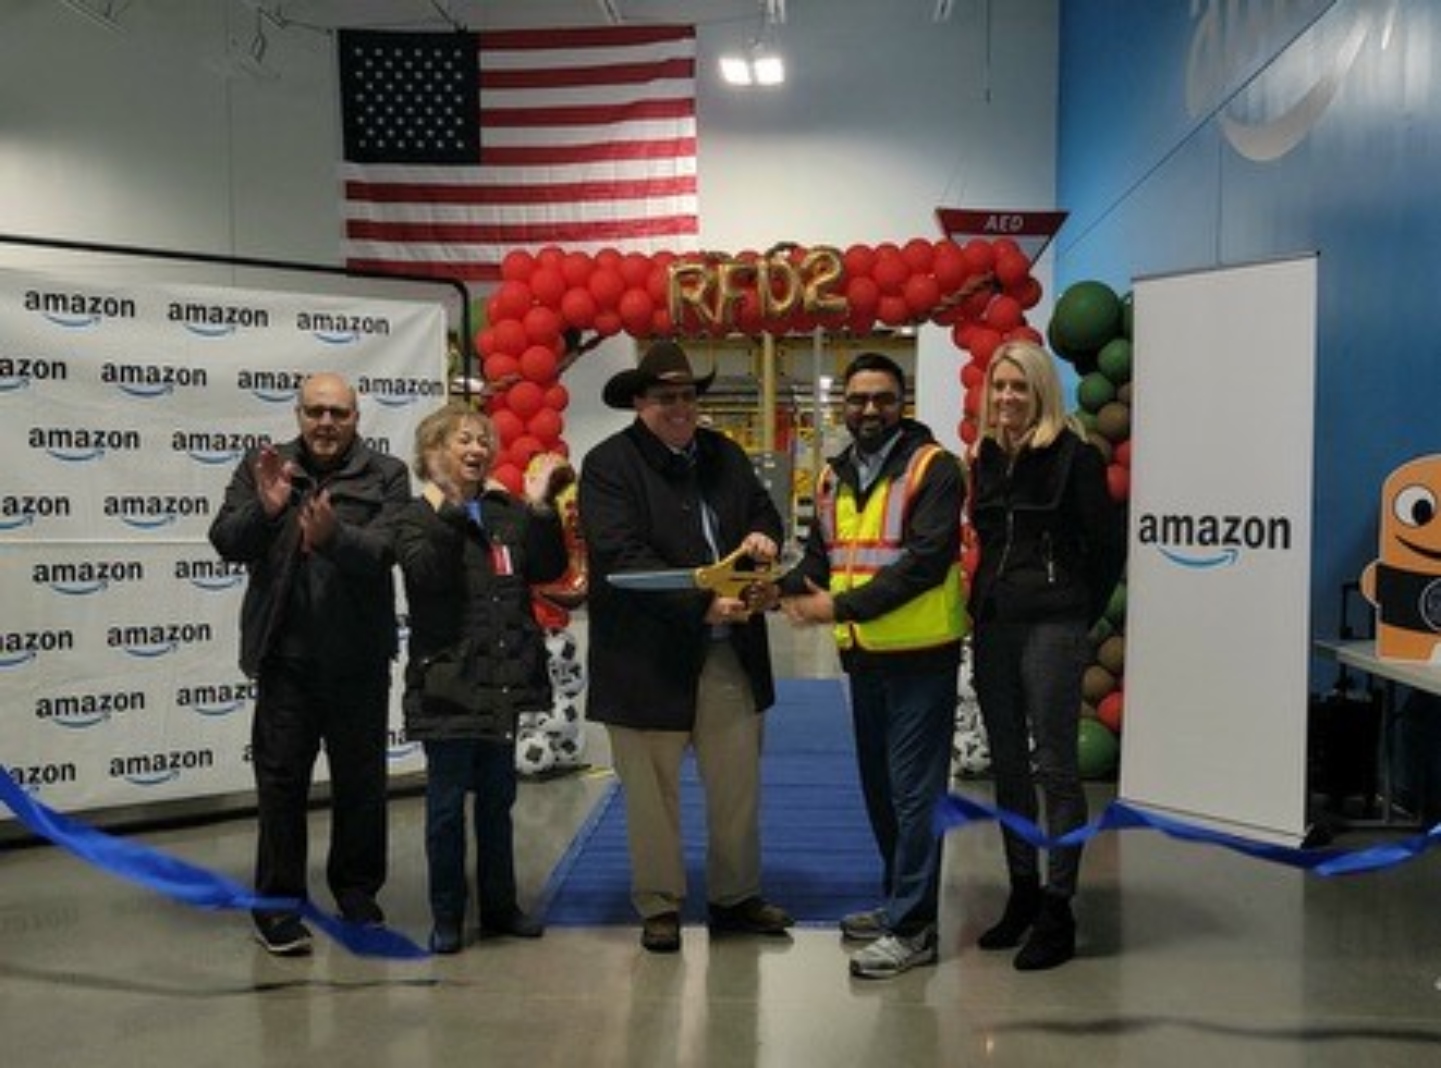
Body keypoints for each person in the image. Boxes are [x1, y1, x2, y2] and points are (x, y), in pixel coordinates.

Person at [579, 340, 793, 954]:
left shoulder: (725, 454)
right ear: (639, 402)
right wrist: (703, 603)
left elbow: (763, 515)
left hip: (730, 654)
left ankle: (736, 896)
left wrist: (763, 539)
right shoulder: (608, 465)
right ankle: (659, 903)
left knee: (736, 787)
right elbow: (622, 557)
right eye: (666, 397)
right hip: (644, 660)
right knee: (651, 793)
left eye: (688, 396)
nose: (680, 408)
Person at [777, 351, 968, 980]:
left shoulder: (933, 469)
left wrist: (836, 605)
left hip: (921, 656)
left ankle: (915, 928)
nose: (868, 410)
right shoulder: (835, 476)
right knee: (883, 790)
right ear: (844, 405)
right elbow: (818, 556)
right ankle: (899, 903)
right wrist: (770, 586)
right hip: (864, 657)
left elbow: (925, 560)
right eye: (857, 399)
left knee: (916, 796)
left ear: (902, 402)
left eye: (882, 398)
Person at [208, 372, 410, 956]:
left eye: (338, 413)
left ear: (356, 419)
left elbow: (385, 551)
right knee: (280, 786)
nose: (326, 422)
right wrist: (268, 510)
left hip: (359, 660)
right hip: (285, 659)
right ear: (298, 414)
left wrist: (333, 535)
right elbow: (226, 539)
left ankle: (356, 894)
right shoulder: (264, 466)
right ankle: (276, 907)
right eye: (316, 411)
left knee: (362, 787)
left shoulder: (387, 474)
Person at [967, 339, 1125, 971]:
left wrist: (1075, 613)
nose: (1007, 397)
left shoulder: (1073, 457)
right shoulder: (984, 456)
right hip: (996, 625)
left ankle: (1059, 907)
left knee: (1056, 768)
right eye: (999, 387)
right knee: (1008, 767)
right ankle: (1023, 892)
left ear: (1041, 394)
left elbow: (1108, 547)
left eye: (1019, 387)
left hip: (1053, 628)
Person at [392, 403, 572, 954]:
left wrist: (540, 510)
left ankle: (500, 907)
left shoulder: (502, 511)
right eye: (462, 441)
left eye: (481, 441)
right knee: (446, 810)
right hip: (447, 686)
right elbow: (426, 574)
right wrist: (452, 508)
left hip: (502, 682)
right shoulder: (413, 517)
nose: (476, 450)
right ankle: (448, 914)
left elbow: (544, 568)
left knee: (498, 803)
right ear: (432, 453)